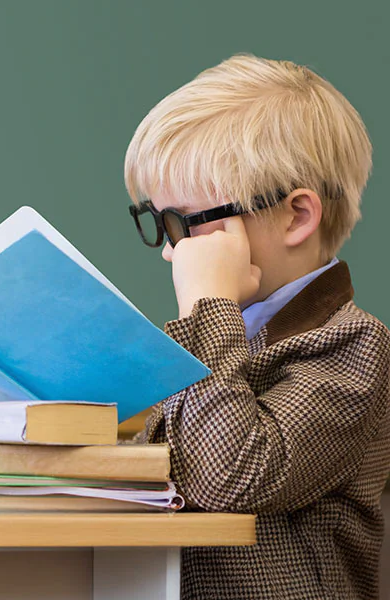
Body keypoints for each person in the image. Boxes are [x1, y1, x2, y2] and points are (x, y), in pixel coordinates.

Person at [124, 54, 390, 599]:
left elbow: (233, 475)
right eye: (160, 223)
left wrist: (207, 303)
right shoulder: (224, 333)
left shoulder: (356, 345)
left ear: (296, 216)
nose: (174, 253)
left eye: (187, 224)